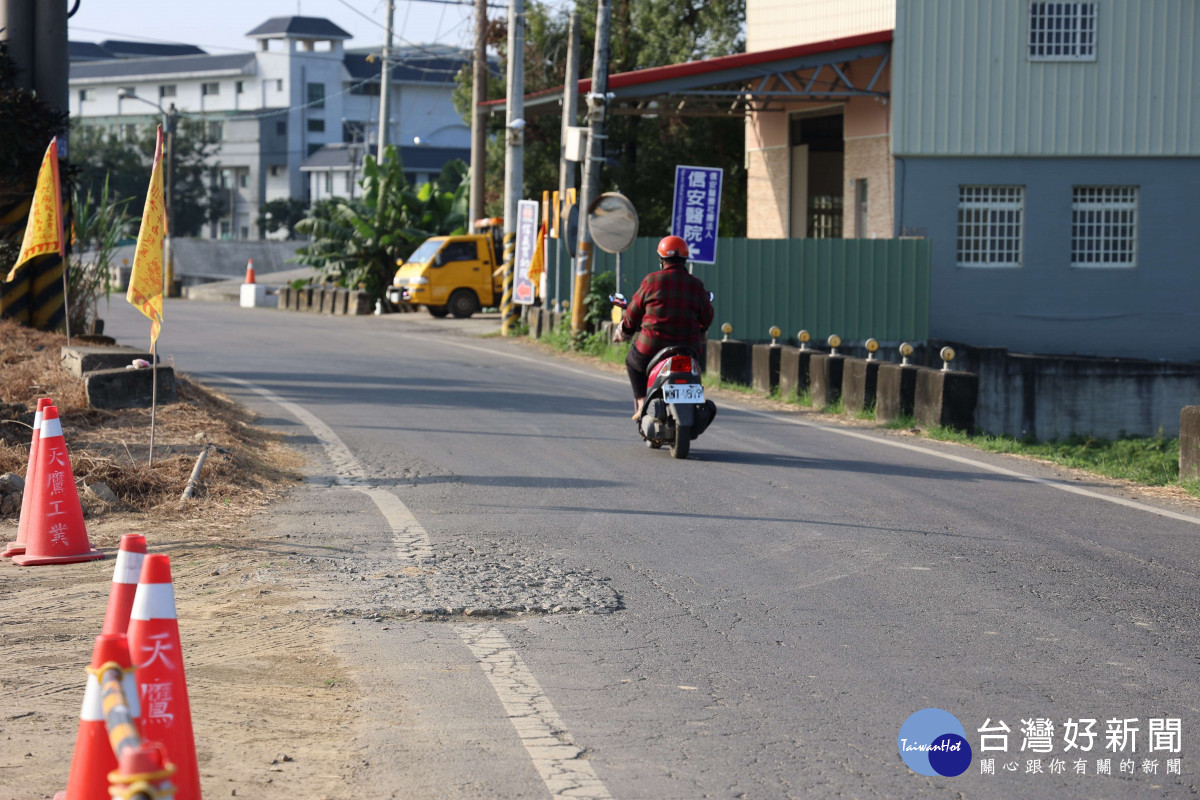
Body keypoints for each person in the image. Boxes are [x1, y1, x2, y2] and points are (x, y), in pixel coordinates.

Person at [614, 235, 714, 419]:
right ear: (684, 259)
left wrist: (626, 331)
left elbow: (632, 313)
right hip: (688, 348)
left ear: (662, 260)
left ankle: (642, 402)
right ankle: (694, 402)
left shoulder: (652, 281)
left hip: (652, 347)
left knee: (632, 362)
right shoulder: (696, 285)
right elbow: (707, 318)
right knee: (695, 369)